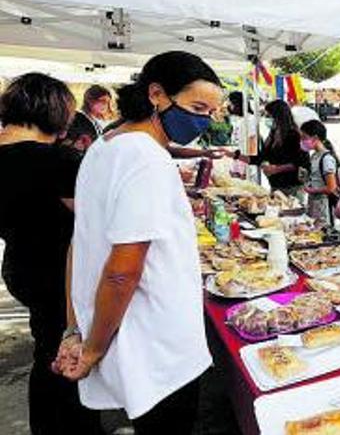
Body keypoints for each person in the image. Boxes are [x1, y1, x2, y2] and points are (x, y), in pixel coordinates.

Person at [55, 51, 223, 433]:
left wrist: (74, 328)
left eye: (211, 112)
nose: (203, 120)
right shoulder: (145, 157)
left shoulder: (107, 145)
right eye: (197, 107)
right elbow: (121, 271)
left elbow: (78, 245)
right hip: (157, 345)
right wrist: (92, 347)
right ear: (157, 94)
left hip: (130, 337)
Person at [0, 73, 103, 435]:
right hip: (58, 273)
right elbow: (98, 221)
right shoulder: (57, 160)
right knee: (67, 355)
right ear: (56, 113)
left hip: (19, 267)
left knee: (46, 347)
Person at [229, 99, 310, 200]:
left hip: (292, 188)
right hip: (275, 187)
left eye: (269, 116)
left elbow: (301, 163)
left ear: (279, 117)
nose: (268, 119)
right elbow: (260, 158)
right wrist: (235, 155)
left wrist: (276, 169)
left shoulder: (294, 135)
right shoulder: (273, 135)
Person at [300, 119, 339, 228]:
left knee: (321, 233)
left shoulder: (327, 159)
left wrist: (312, 190)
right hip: (313, 203)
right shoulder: (314, 156)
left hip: (323, 205)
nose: (302, 141)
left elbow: (331, 187)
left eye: (304, 138)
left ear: (315, 138)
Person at [61, 84, 112, 152]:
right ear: (90, 100)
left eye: (107, 102)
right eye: (101, 101)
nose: (105, 105)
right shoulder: (78, 118)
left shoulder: (100, 120)